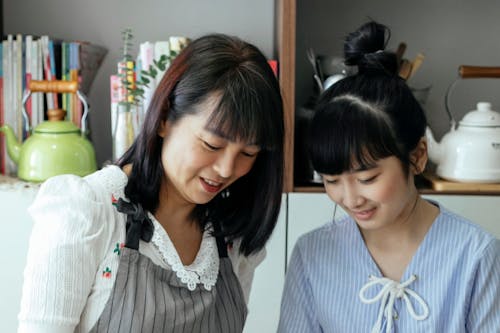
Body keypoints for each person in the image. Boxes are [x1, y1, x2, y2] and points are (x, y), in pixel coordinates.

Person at [18, 33, 284, 333]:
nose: (226, 169)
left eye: (248, 152)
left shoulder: (233, 237)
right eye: (211, 145)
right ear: (164, 119)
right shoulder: (88, 211)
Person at [278, 21, 500, 333]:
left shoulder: (475, 256)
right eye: (331, 180)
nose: (350, 198)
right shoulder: (312, 255)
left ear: (417, 156)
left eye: (367, 178)